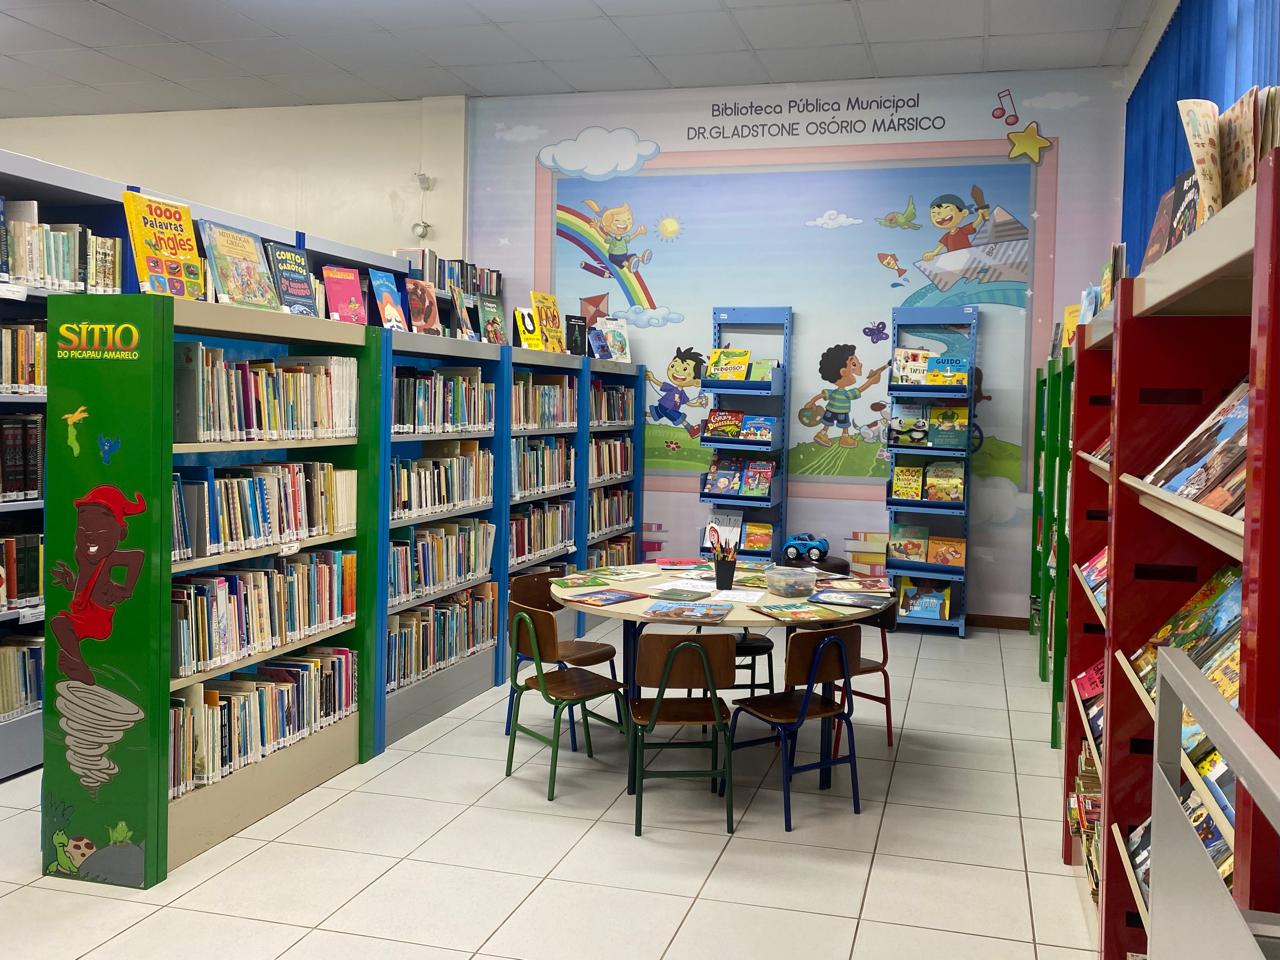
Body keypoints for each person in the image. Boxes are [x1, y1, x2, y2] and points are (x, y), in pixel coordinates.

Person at [50, 486, 147, 685]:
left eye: (100, 532)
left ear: (121, 533)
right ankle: (72, 663)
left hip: (97, 617)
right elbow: (86, 582)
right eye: (82, 531)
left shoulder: (109, 558)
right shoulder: (80, 554)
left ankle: (79, 669)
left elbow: (137, 557)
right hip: (82, 611)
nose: (90, 536)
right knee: (60, 626)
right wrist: (71, 584)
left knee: (60, 624)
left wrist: (126, 589)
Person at [803, 344, 886, 448]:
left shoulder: (834, 392)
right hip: (841, 412)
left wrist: (812, 402)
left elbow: (822, 395)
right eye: (853, 364)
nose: (859, 365)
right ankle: (840, 437)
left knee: (832, 423)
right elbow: (860, 389)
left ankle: (825, 434)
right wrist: (871, 382)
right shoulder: (846, 394)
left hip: (831, 411)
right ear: (843, 372)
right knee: (843, 424)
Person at [647, 347, 708, 438]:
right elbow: (660, 384)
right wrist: (652, 378)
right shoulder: (672, 388)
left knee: (654, 414)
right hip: (665, 406)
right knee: (678, 416)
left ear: (696, 382)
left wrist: (696, 404)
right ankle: (691, 429)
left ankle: (641, 415)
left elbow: (687, 403)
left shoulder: (682, 393)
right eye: (673, 366)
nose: (677, 370)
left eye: (685, 369)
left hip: (666, 408)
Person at [921, 187, 991, 261]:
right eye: (934, 214)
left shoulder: (962, 230)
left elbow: (975, 224)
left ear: (964, 212)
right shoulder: (946, 236)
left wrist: (980, 215)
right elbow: (940, 247)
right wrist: (933, 253)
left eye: (948, 210)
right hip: (954, 259)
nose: (940, 216)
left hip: (967, 256)